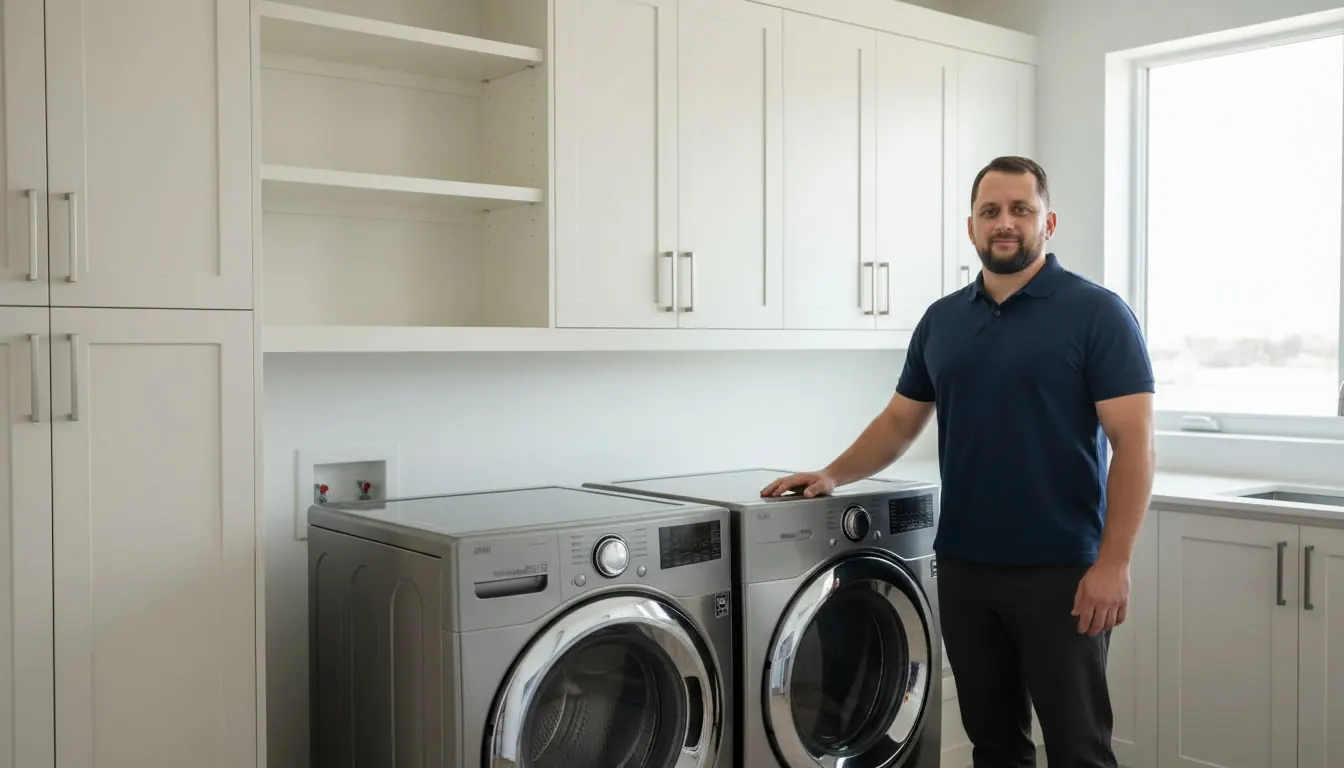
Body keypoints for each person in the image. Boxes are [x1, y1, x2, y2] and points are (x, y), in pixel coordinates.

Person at [761, 156, 1155, 768]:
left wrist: (1115, 563)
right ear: (970, 227)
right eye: (990, 211)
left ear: (1047, 222)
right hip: (967, 568)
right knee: (993, 745)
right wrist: (833, 473)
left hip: (1064, 574)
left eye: (1020, 209)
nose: (1005, 222)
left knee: (1079, 750)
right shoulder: (943, 321)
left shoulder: (1098, 314)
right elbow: (899, 421)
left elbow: (1135, 444)